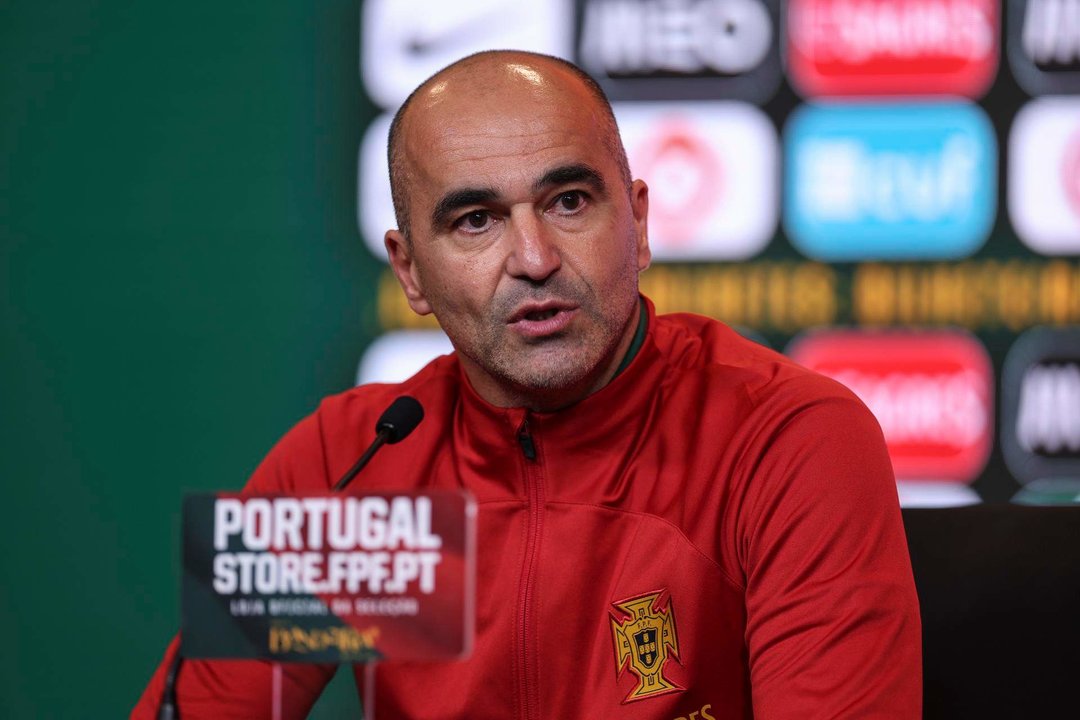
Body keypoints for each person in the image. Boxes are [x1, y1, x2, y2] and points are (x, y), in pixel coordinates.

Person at [134, 51, 921, 718]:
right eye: (475, 220)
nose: (534, 257)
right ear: (410, 271)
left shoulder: (784, 439)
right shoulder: (350, 467)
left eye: (569, 201)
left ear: (639, 224)